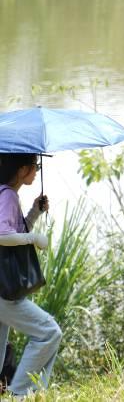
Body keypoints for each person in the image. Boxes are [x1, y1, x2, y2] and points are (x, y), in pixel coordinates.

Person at [0, 154, 61, 397]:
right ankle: (19, 394)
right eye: (35, 166)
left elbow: (12, 231)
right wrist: (34, 238)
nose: (36, 171)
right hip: (4, 289)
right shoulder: (7, 195)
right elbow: (3, 236)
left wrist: (34, 213)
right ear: (22, 169)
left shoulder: (5, 193)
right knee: (49, 332)